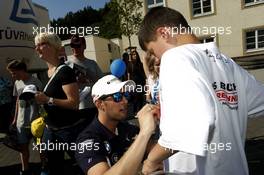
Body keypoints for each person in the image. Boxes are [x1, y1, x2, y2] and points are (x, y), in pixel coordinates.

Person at [138, 7, 264, 175]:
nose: (158, 58)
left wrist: (152, 160)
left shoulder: (175, 58)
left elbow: (194, 125)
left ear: (164, 33)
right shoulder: (227, 63)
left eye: (153, 51)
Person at [75, 75, 160, 175]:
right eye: (117, 97)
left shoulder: (129, 130)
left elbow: (158, 151)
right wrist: (144, 133)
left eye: (126, 95)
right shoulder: (87, 141)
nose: (125, 101)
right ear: (99, 104)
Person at [34, 32, 87, 175]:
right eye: (36, 45)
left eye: (42, 44)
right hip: (50, 130)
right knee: (54, 168)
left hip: (68, 131)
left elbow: (73, 103)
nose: (37, 48)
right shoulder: (47, 72)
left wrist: (47, 99)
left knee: (85, 166)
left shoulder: (65, 71)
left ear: (53, 46)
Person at [6, 60, 42, 175]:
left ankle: (45, 167)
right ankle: (24, 170)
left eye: (14, 73)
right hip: (21, 122)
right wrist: (15, 119)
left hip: (35, 121)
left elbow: (42, 101)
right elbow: (17, 101)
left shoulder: (36, 81)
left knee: (41, 147)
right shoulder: (17, 83)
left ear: (21, 70)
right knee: (22, 148)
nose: (12, 76)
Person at [66, 34, 103, 122]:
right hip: (78, 108)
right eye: (73, 46)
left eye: (78, 45)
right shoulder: (67, 65)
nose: (75, 48)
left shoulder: (92, 63)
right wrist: (76, 82)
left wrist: (88, 76)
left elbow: (101, 83)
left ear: (84, 46)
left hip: (94, 105)